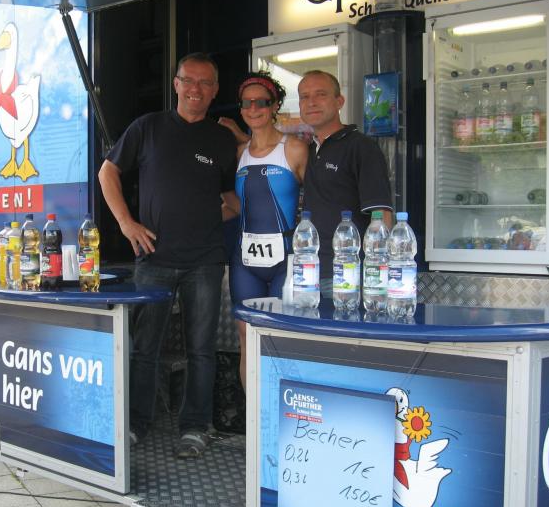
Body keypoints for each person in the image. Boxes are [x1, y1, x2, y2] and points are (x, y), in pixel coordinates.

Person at [98, 53, 238, 459]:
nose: (196, 89)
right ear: (176, 84)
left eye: (205, 82)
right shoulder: (148, 127)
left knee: (202, 350)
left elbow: (232, 202)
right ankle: (136, 424)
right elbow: (108, 172)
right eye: (188, 80)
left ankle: (195, 428)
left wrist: (207, 217)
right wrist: (126, 224)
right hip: (153, 257)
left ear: (215, 90)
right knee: (145, 348)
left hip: (205, 261)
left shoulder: (222, 140)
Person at [223, 73, 307, 391]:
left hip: (286, 258)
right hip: (245, 259)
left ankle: (284, 410)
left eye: (262, 102)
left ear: (274, 107)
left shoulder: (294, 149)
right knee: (247, 336)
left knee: (283, 336)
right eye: (247, 103)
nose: (254, 108)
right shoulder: (238, 153)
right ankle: (255, 413)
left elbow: (318, 201)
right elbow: (235, 205)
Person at [297, 70, 393, 293]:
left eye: (321, 94)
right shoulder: (307, 150)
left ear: (339, 101)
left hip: (348, 275)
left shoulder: (361, 147)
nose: (311, 102)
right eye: (304, 96)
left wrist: (376, 275)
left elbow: (381, 214)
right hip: (309, 271)